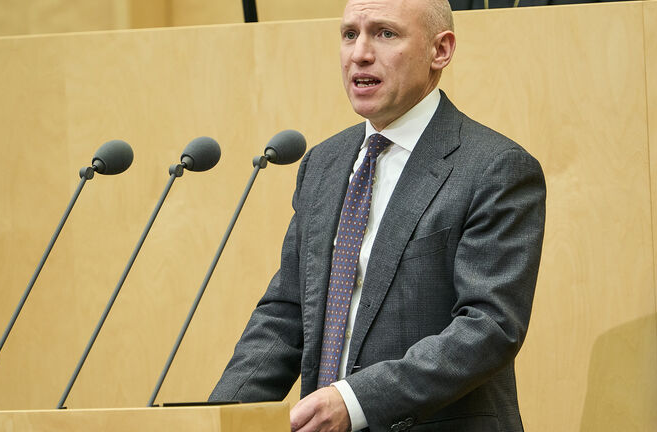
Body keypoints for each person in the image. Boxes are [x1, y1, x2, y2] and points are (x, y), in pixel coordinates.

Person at [209, 0, 546, 431]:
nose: (360, 53)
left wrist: (355, 401)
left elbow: (489, 328)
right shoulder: (323, 164)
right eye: (350, 34)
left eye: (385, 34)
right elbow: (286, 313)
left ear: (440, 50)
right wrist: (220, 417)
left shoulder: (494, 168)